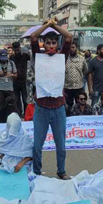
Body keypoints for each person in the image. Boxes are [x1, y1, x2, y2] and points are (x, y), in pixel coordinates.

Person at [30, 18, 73, 180]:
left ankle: (61, 171)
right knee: (37, 145)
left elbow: (68, 37)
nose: (51, 46)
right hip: (41, 107)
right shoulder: (38, 56)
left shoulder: (62, 56)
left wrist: (54, 25)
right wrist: (46, 25)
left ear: (57, 44)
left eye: (54, 43)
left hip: (58, 108)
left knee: (60, 145)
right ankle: (36, 172)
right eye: (48, 43)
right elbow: (33, 37)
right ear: (44, 44)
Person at [64, 42, 88, 110]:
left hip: (79, 87)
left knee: (79, 106)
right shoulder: (65, 59)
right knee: (69, 107)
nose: (71, 49)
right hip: (68, 87)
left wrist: (79, 77)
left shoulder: (82, 59)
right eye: (70, 48)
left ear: (76, 48)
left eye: (73, 47)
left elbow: (85, 71)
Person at [11, 41, 31, 113]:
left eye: (18, 50)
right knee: (17, 99)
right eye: (15, 50)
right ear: (13, 49)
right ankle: (19, 112)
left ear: (20, 48)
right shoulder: (11, 57)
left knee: (25, 99)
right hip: (15, 81)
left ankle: (26, 113)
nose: (16, 51)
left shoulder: (25, 56)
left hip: (24, 81)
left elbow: (32, 60)